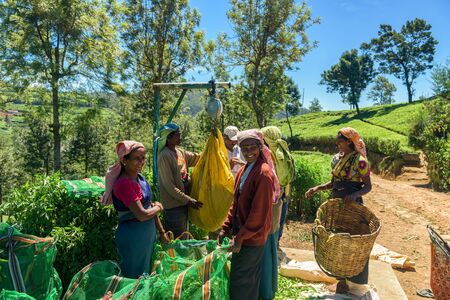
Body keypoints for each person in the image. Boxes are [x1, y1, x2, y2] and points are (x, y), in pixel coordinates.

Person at [305, 127, 372, 294]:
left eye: (340, 142)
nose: (338, 145)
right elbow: (333, 183)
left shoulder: (361, 161)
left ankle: (354, 280)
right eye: (337, 143)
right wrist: (317, 188)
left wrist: (354, 194)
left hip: (353, 206)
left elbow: (368, 186)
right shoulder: (337, 159)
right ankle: (341, 280)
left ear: (349, 142)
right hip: (337, 204)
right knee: (336, 240)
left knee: (353, 242)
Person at [219, 129, 278, 300]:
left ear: (260, 147)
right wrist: (226, 226)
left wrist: (240, 238)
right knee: (243, 278)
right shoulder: (244, 170)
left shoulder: (263, 173)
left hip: (252, 237)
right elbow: (236, 203)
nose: (249, 152)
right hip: (243, 235)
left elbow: (259, 213)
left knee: (243, 281)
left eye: (253, 147)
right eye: (244, 148)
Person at [102, 140, 166, 279]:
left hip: (147, 236)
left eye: (143, 158)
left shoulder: (140, 178)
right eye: (137, 158)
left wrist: (161, 232)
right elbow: (142, 214)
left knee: (145, 275)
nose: (141, 162)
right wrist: (158, 207)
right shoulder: (123, 184)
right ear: (124, 160)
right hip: (133, 238)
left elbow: (148, 206)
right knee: (134, 278)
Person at [259, 126, 295, 300]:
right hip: (283, 196)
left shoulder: (272, 153)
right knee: (276, 230)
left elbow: (273, 179)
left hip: (274, 198)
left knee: (270, 235)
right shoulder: (283, 149)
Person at [157, 123, 203, 238]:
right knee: (178, 240)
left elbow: (198, 158)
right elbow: (169, 186)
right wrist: (188, 200)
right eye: (178, 135)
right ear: (168, 138)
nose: (180, 137)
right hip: (174, 206)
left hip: (183, 203)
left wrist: (211, 148)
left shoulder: (180, 152)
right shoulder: (164, 156)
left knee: (184, 236)